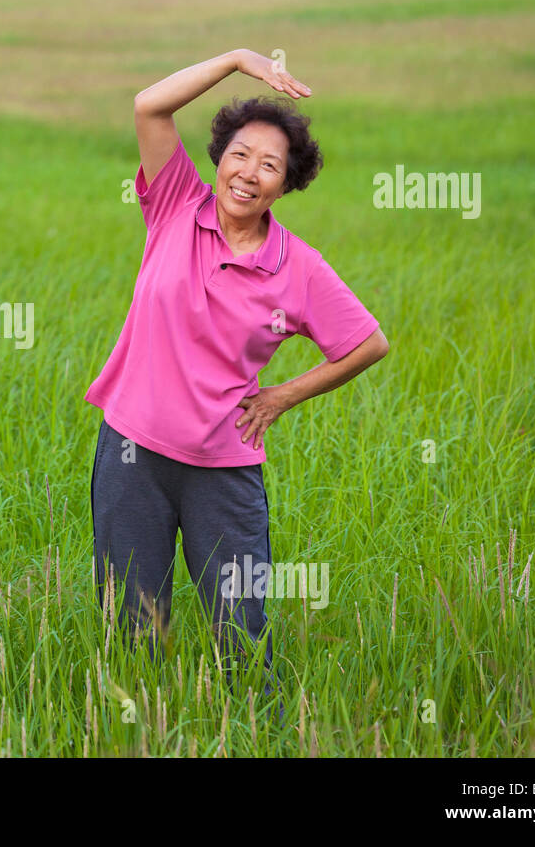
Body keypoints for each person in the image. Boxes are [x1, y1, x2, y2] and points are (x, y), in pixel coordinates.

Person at [84, 48, 389, 683]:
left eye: (270, 165)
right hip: (131, 454)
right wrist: (237, 60)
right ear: (219, 158)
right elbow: (150, 105)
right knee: (133, 630)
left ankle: (256, 735)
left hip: (221, 469)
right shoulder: (174, 205)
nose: (249, 173)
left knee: (242, 635)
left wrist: (281, 396)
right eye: (240, 154)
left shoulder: (296, 266)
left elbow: (367, 343)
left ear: (287, 183)